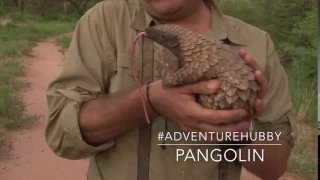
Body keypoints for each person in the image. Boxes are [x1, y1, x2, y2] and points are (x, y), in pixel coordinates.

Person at [45, 0, 298, 180]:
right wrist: (149, 101)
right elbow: (61, 133)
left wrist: (237, 127)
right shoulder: (104, 21)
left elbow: (274, 167)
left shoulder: (256, 42)